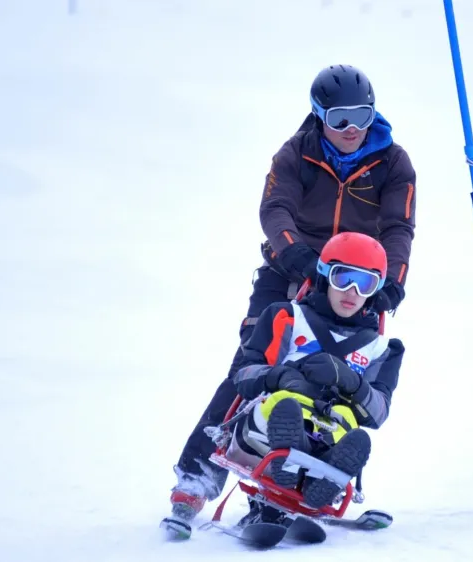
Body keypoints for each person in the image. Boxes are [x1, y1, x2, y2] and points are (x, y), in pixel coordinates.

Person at [166, 63, 416, 527]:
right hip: (291, 270)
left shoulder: (393, 162)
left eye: (362, 115)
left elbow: (399, 225)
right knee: (254, 366)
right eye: (340, 118)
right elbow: (275, 207)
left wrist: (392, 281)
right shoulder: (296, 154)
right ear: (319, 115)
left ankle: (301, 483)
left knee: (340, 380)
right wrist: (296, 254)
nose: (352, 129)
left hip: (356, 282)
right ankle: (197, 476)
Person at [166, 232, 405, 531]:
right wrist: (277, 375)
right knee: (284, 405)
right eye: (342, 278)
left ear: (377, 289)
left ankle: (319, 476)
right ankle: (292, 465)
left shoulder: (382, 349)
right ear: (324, 275)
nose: (352, 292)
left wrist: (353, 384)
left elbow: (378, 413)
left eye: (365, 283)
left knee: (345, 419)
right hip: (267, 426)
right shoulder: (286, 316)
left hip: (328, 425)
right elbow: (243, 374)